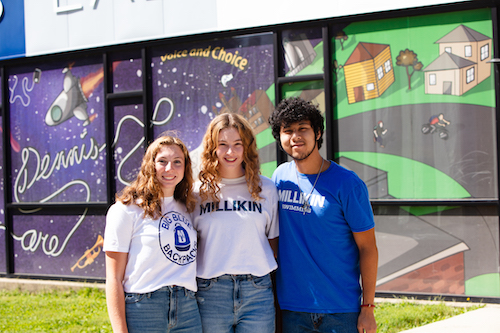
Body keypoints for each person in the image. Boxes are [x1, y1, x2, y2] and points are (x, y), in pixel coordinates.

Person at [268, 97, 378, 333]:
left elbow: (368, 247)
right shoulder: (279, 179)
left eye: (303, 129)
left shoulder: (347, 184)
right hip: (292, 309)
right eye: (287, 130)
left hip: (340, 310)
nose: (295, 136)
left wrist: (367, 308)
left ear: (317, 133)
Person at [103, 135, 202, 333]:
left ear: (185, 167)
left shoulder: (190, 207)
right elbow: (113, 278)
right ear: (150, 164)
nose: (169, 168)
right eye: (162, 161)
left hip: (187, 309)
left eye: (177, 162)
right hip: (144, 309)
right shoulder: (126, 209)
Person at [193, 113, 279, 333]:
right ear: (212, 147)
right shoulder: (197, 193)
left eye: (237, 144)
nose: (230, 152)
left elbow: (273, 243)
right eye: (223, 144)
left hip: (257, 291)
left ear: (246, 147)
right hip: (211, 292)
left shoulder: (266, 189)